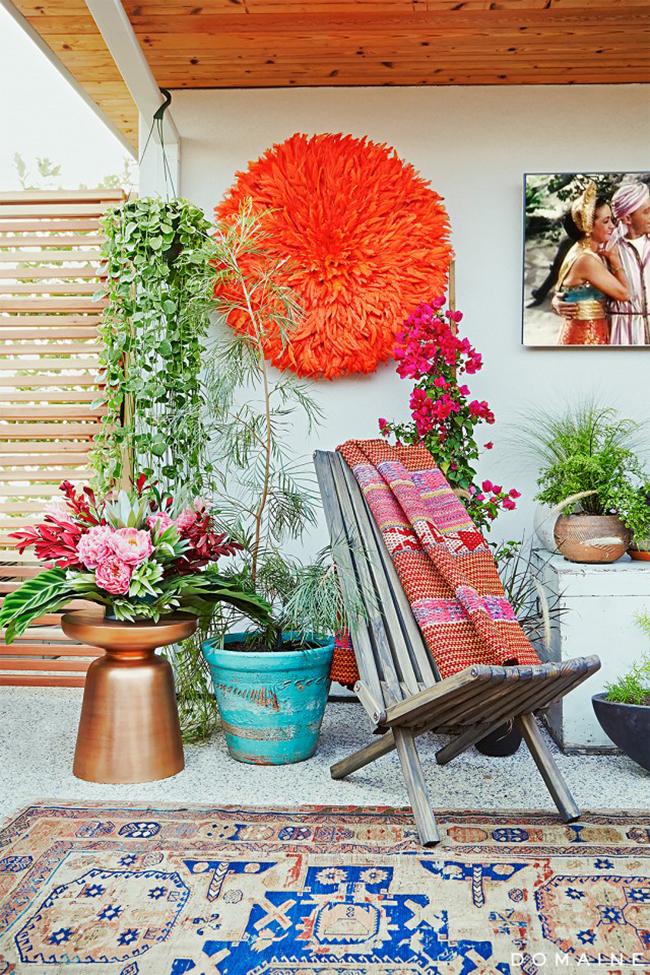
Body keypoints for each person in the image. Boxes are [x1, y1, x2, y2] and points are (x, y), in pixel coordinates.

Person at [552, 181, 630, 346]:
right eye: (606, 221)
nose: (612, 226)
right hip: (586, 335)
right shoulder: (586, 259)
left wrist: (557, 301)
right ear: (588, 226)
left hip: (586, 330)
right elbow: (624, 295)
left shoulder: (581, 250)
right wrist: (614, 260)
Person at [607, 181, 650, 345]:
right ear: (627, 218)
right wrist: (559, 302)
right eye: (647, 212)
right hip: (623, 334)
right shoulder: (608, 248)